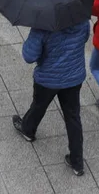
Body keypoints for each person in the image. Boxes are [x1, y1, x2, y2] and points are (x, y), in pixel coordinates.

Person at [12, 19, 90, 176]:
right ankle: (77, 162)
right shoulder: (81, 20)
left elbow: (29, 56)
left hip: (48, 79)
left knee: (39, 105)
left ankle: (28, 130)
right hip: (73, 77)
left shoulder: (42, 25)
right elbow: (85, 38)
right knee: (73, 117)